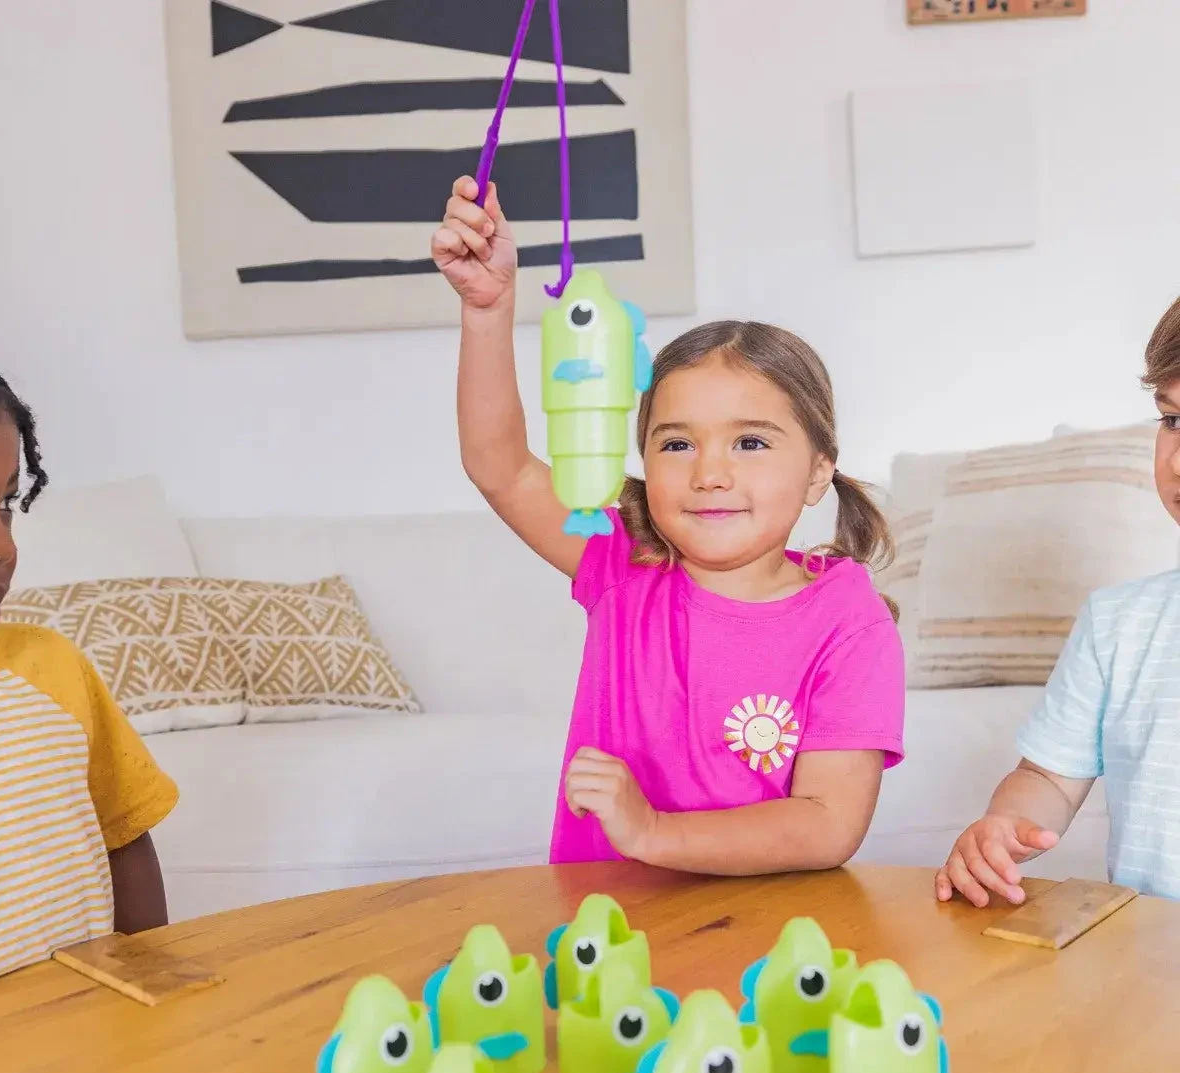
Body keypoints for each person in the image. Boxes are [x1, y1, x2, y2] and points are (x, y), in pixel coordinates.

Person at [432, 177, 904, 876]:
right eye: (678, 444)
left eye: (750, 442)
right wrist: (487, 310)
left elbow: (829, 823)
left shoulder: (849, 619)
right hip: (605, 923)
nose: (709, 472)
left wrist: (654, 832)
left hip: (771, 932)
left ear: (816, 473)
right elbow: (498, 465)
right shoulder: (623, 559)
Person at [936, 295, 1180, 906]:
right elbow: (1048, 777)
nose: (1177, 460)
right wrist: (1002, 826)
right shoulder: (1119, 622)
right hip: (1148, 952)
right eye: (1173, 421)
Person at [0, 356, 177, 984]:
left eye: (6, 504)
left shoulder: (52, 669)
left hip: (93, 1032)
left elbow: (124, 837)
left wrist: (155, 991)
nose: (2, 545)